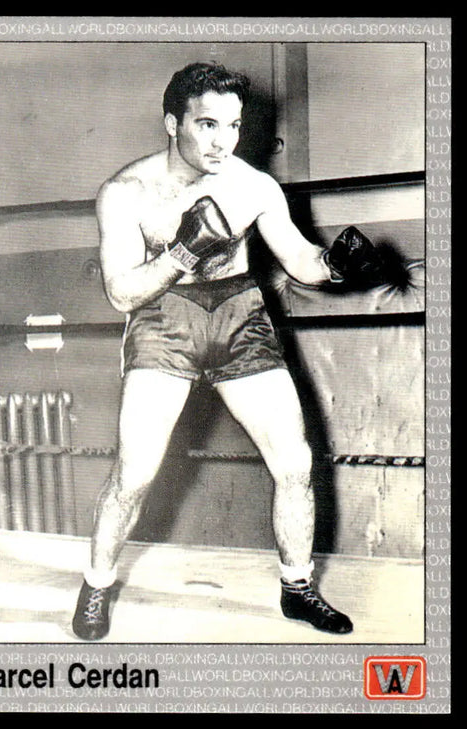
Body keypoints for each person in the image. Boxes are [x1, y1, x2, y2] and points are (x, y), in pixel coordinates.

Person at [72, 62, 387, 641]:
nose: (224, 141)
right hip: (164, 321)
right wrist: (182, 253)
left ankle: (298, 587)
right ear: (172, 123)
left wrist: (335, 265)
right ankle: (97, 583)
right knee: (136, 474)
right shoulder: (126, 193)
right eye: (208, 125)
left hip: (242, 317)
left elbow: (300, 261)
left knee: (294, 464)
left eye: (235, 126)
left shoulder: (253, 186)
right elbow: (120, 293)